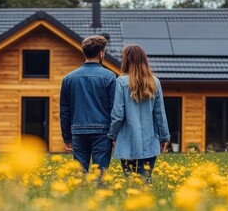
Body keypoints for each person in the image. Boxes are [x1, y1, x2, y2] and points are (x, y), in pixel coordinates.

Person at [107, 44, 170, 184]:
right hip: (150, 139)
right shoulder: (155, 82)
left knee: (130, 182)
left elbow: (117, 114)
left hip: (127, 140)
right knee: (145, 181)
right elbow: (160, 113)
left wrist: (112, 135)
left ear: (127, 60)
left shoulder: (122, 82)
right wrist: (164, 136)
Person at [59, 35, 116, 173]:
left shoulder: (68, 79)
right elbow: (115, 109)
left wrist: (67, 136)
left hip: (78, 131)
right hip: (103, 132)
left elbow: (65, 111)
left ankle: (79, 195)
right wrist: (115, 135)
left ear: (84, 52)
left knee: (79, 176)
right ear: (101, 53)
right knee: (101, 175)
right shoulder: (109, 77)